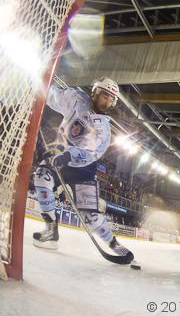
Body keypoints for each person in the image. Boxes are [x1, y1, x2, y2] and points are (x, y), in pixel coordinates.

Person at [32, 77, 134, 262]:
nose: (108, 102)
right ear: (94, 92)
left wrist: (67, 154)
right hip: (61, 158)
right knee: (41, 176)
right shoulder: (76, 99)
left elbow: (91, 153)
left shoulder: (103, 128)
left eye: (112, 99)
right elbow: (52, 95)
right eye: (105, 96)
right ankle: (50, 229)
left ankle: (113, 244)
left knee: (91, 217)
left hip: (84, 169)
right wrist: (39, 84)